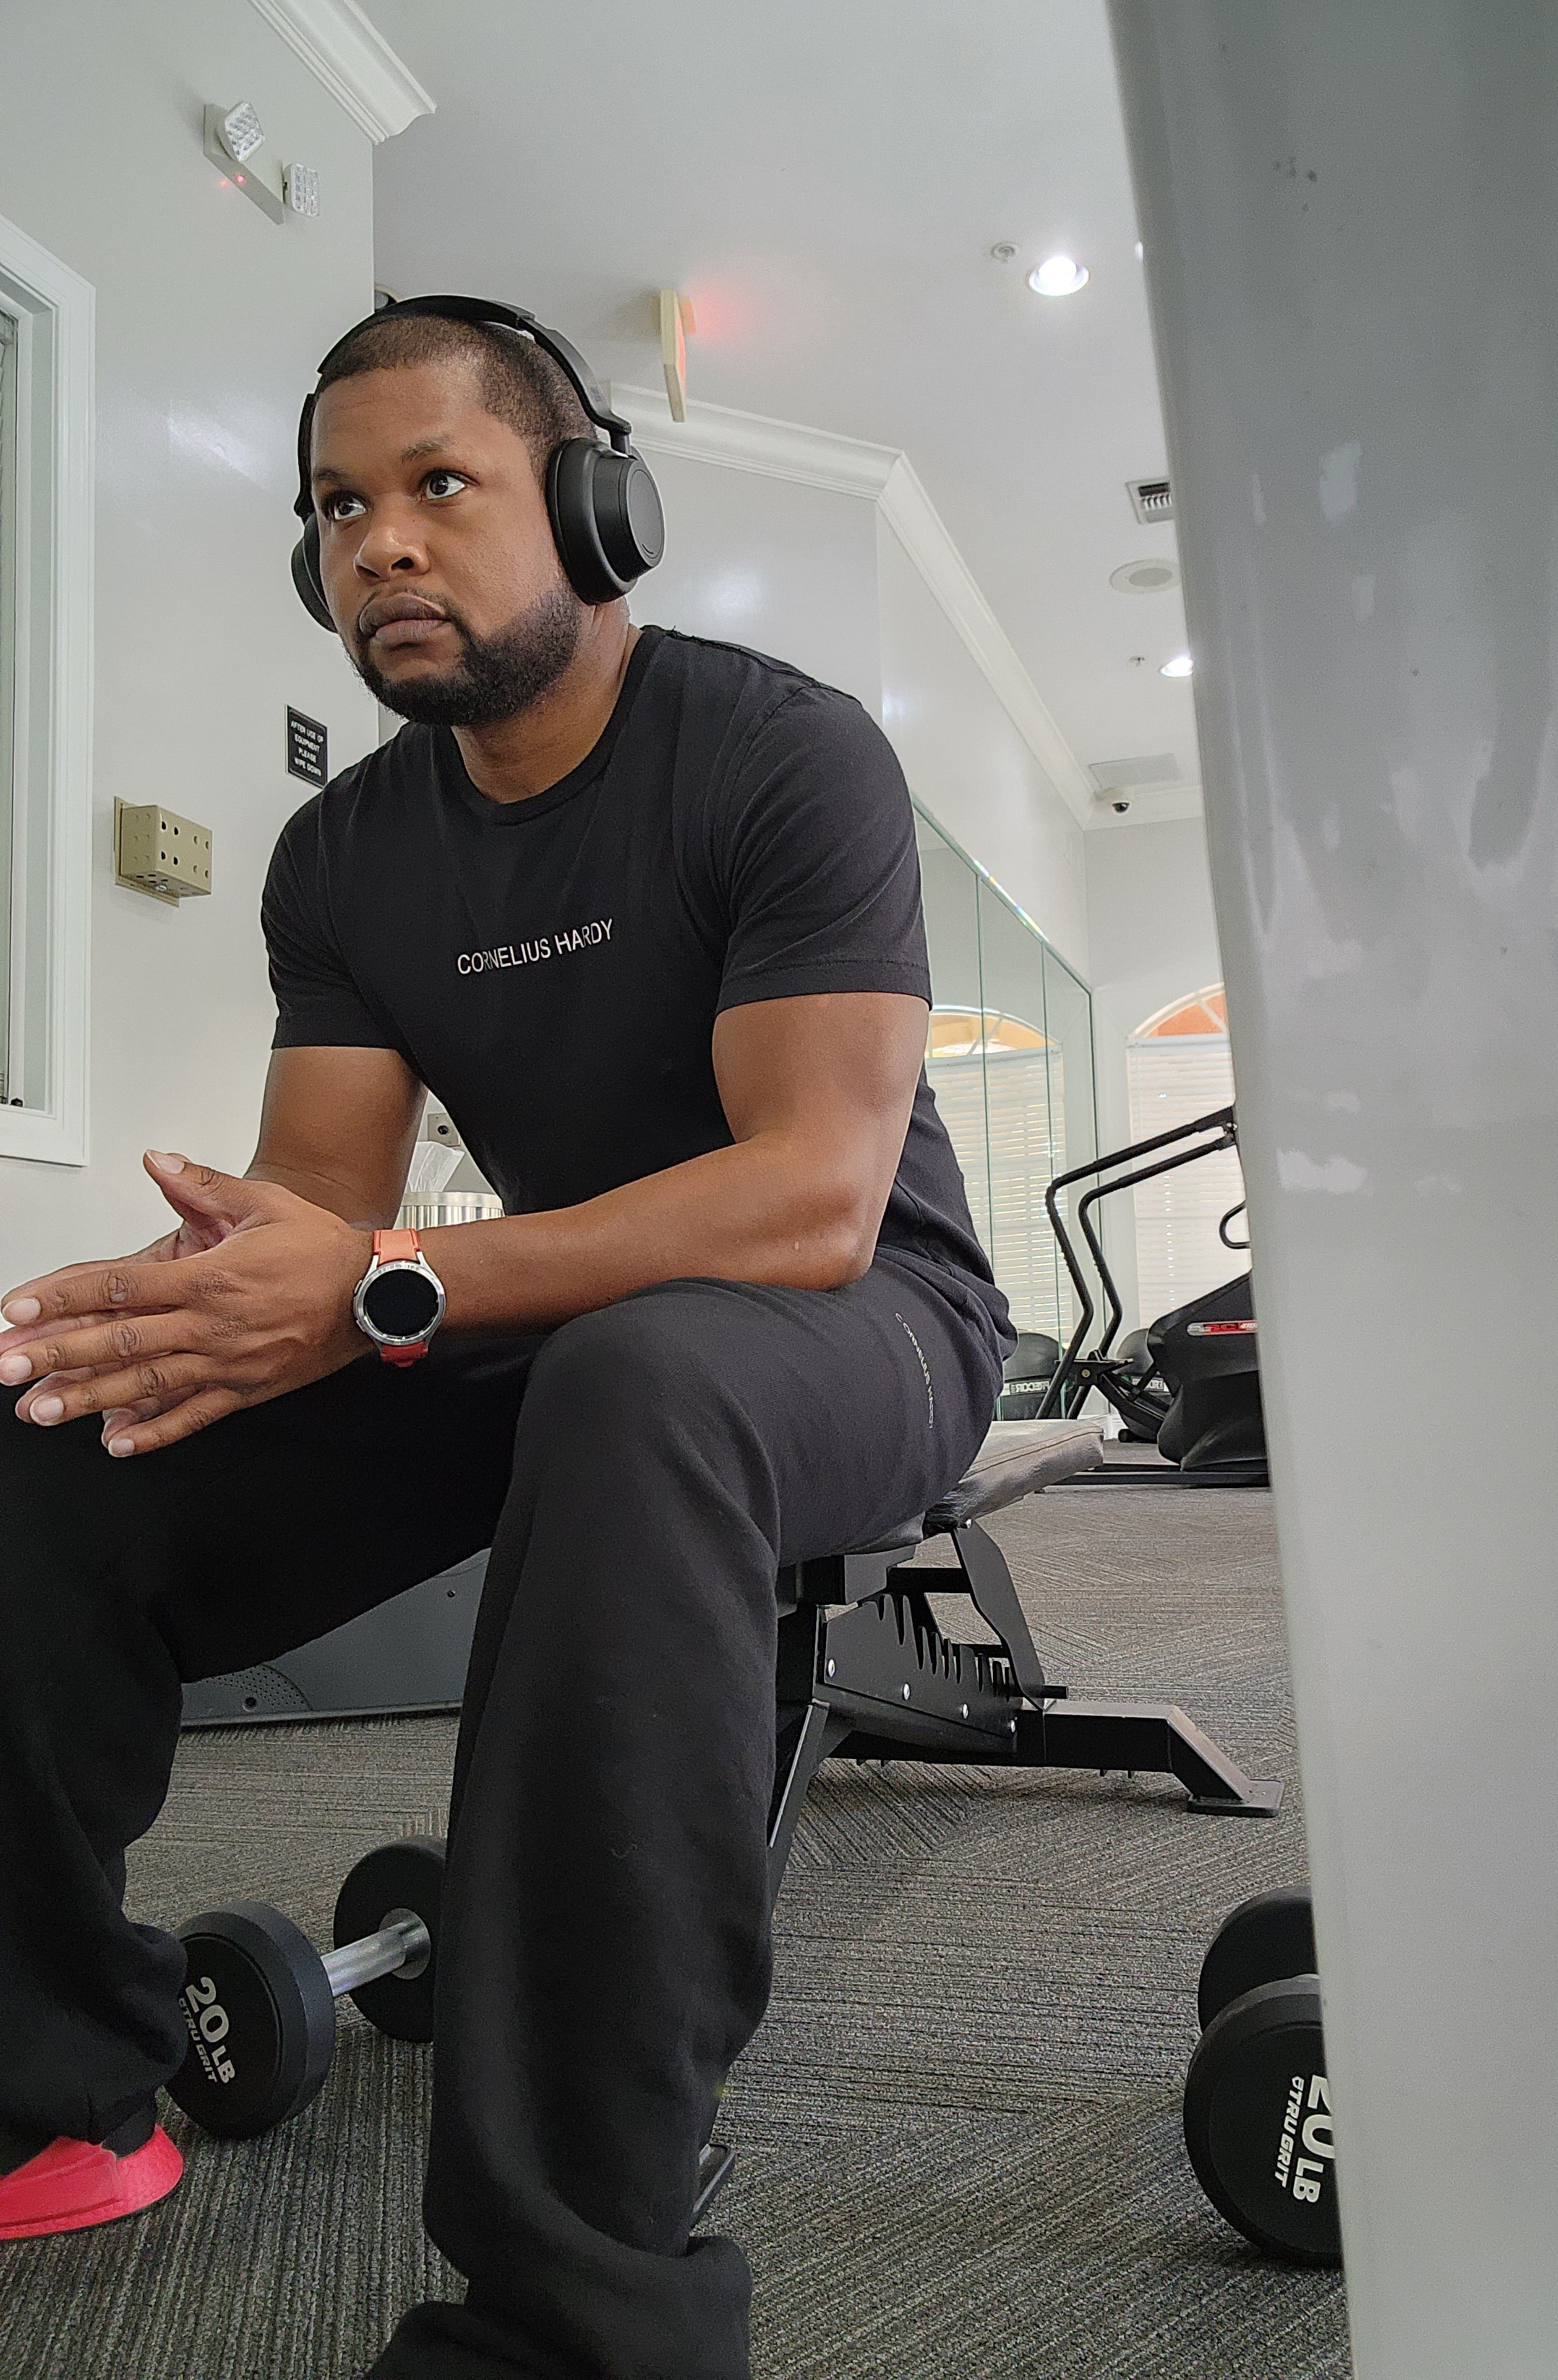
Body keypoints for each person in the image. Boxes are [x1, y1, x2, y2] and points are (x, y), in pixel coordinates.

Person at [0, 301, 1011, 2379]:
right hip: (543, 1321)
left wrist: (381, 1282)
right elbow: (322, 1223)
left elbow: (811, 1193)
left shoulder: (777, 749)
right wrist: (181, 1319)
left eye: (439, 487)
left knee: (649, 1384)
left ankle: (585, 2305)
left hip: (857, 1319)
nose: (381, 544)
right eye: (338, 510)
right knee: (48, 1435)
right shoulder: (346, 853)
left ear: (592, 507)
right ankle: (46, 2086)